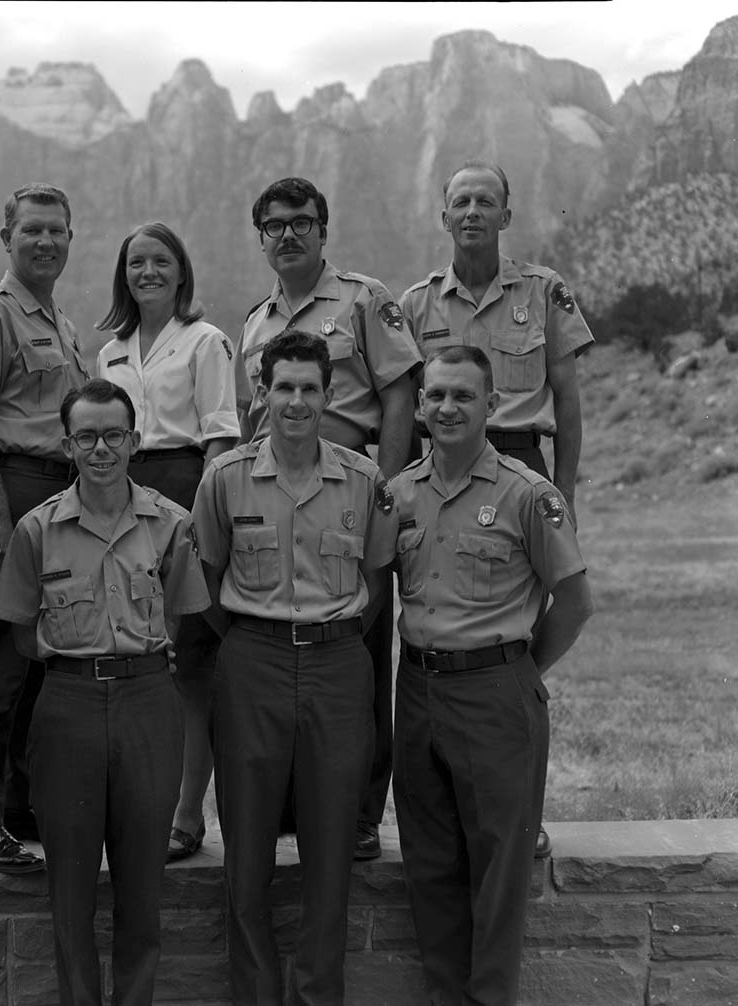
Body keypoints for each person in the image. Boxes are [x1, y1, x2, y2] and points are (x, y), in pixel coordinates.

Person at [192, 331, 397, 1006]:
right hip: (251, 663)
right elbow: (207, 580)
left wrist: (327, 636)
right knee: (246, 857)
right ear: (261, 396)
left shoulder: (364, 482)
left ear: (329, 396)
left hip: (339, 664)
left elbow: (372, 581)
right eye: (285, 387)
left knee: (331, 854)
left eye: (311, 388)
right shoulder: (225, 479)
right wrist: (259, 638)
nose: (298, 401)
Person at [0, 378, 208, 1006]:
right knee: (71, 895)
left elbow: (184, 614)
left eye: (114, 435)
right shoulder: (36, 531)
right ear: (67, 446)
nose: (101, 448)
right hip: (68, 709)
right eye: (86, 437)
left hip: (148, 706)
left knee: (142, 892)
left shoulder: (171, 524)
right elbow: (22, 632)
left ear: (135, 441)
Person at [399, 159, 595, 858]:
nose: (473, 211)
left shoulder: (543, 291)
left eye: (487, 201)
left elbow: (567, 396)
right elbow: (406, 406)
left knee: (514, 650)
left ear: (506, 217)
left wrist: (564, 490)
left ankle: (518, 806)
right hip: (443, 467)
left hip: (521, 463)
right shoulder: (417, 304)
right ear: (444, 215)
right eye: (461, 201)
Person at [390, 345, 593, 1006]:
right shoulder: (399, 496)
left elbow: (576, 601)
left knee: (498, 876)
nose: (448, 407)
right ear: (420, 407)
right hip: (418, 692)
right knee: (430, 868)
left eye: (463, 396)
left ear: (491, 406)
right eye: (437, 396)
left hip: (495, 691)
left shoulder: (526, 493)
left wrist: (518, 675)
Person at [236, 177, 421, 860]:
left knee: (358, 654)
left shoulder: (366, 300)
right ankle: (295, 806)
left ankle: (361, 813)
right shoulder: (254, 325)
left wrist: (391, 492)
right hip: (272, 505)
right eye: (275, 224)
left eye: (302, 222)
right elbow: (244, 424)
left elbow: (400, 397)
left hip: (349, 493)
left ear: (323, 230)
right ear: (260, 237)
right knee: (282, 649)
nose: (288, 234)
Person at [0, 183, 89, 874]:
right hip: (14, 489)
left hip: (58, 493)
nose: (45, 242)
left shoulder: (60, 323)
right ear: (6, 238)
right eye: (32, 230)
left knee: (37, 662)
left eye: (57, 231)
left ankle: (15, 805)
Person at [95, 221, 239, 862]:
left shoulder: (206, 341)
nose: (147, 272)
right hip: (124, 501)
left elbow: (220, 437)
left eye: (159, 262)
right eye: (135, 263)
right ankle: (140, 807)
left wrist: (201, 524)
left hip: (186, 491)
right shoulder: (111, 352)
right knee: (141, 657)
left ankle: (186, 815)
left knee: (191, 666)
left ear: (181, 271)